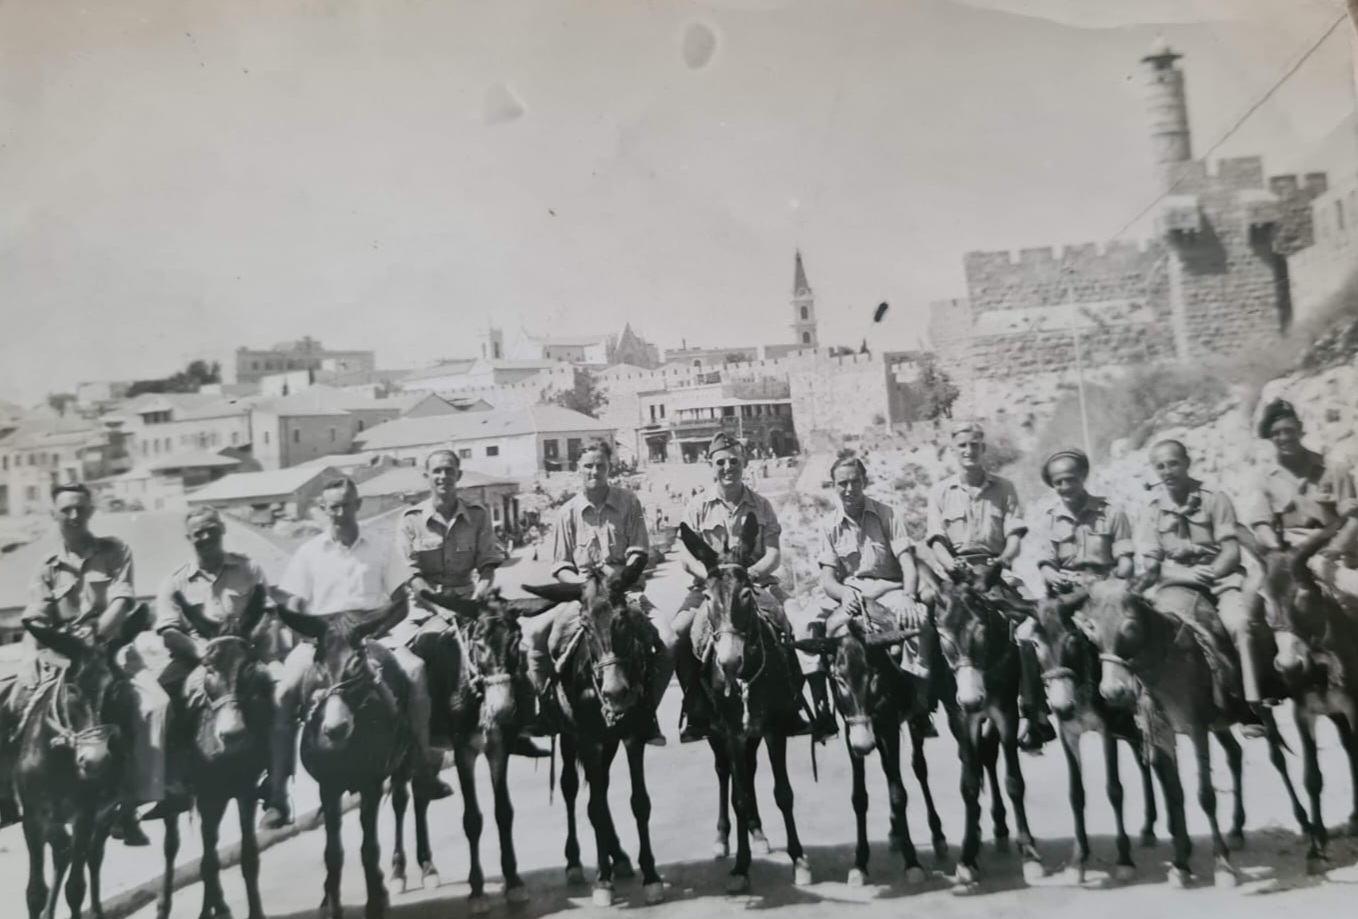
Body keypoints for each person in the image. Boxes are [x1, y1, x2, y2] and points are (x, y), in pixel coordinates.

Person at [263, 477, 455, 830]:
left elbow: (400, 599)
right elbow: (291, 605)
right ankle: (276, 792)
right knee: (284, 691)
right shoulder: (309, 552)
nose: (340, 513)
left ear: (357, 505)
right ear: (323, 510)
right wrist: (310, 637)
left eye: (346, 505)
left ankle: (422, 765)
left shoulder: (380, 547)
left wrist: (376, 632)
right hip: (322, 643)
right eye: (333, 507)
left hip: (374, 635)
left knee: (415, 673)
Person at [0, 484, 162, 845]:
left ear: (91, 511)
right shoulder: (47, 568)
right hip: (61, 654)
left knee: (154, 705)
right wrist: (28, 659)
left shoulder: (115, 551)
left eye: (80, 509)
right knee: (9, 704)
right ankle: (9, 798)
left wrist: (96, 640)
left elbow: (122, 601)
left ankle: (131, 803)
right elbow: (36, 619)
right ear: (54, 515)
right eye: (66, 510)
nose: (74, 516)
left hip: (112, 648)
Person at [395, 450, 548, 759]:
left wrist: (477, 598)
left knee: (513, 645)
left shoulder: (477, 515)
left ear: (458, 476)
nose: (443, 477)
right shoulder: (411, 521)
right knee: (421, 657)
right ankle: (426, 734)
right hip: (427, 608)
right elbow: (411, 577)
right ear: (427, 477)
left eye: (449, 471)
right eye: (436, 471)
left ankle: (521, 727)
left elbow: (488, 566)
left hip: (471, 600)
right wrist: (440, 608)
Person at [524, 440, 671, 745]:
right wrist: (584, 586)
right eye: (588, 465)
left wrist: (620, 579)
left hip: (624, 592)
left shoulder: (629, 502)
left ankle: (647, 714)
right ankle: (548, 711)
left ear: (609, 467)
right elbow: (561, 565)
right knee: (536, 636)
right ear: (579, 469)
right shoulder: (568, 512)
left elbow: (639, 552)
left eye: (600, 465)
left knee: (669, 640)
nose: (594, 471)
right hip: (585, 597)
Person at [671, 432, 815, 743]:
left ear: (744, 463)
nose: (728, 467)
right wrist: (711, 577)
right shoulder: (697, 506)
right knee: (677, 634)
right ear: (711, 465)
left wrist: (747, 574)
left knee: (793, 625)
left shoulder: (761, 506)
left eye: (734, 461)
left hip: (756, 583)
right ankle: (696, 706)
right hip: (708, 589)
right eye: (720, 462)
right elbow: (685, 556)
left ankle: (791, 703)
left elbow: (774, 553)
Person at [924, 422, 1054, 752]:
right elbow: (937, 539)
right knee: (926, 623)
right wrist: (951, 565)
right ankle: (926, 701)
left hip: (995, 571)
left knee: (1029, 627)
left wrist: (998, 565)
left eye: (975, 444)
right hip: (956, 573)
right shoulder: (939, 492)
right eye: (962, 445)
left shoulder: (1004, 488)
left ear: (983, 449)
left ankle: (1034, 710)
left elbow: (1014, 539)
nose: (969, 451)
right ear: (953, 451)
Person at [143, 506, 278, 821]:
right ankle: (172, 785)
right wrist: (201, 651)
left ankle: (274, 785)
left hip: (247, 654)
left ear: (221, 530)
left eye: (210, 530)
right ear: (189, 538)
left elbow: (268, 614)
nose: (205, 537)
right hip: (194, 658)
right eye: (197, 533)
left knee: (280, 694)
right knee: (158, 704)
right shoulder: (175, 581)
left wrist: (248, 645)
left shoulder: (249, 569)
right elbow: (168, 630)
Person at [1136, 440, 1267, 737]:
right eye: (1160, 466)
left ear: (1187, 463)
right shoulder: (1152, 510)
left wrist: (1211, 573)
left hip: (1220, 581)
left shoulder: (1214, 498)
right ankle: (1150, 705)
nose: (1167, 471)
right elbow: (1152, 564)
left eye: (1173, 463)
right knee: (1147, 630)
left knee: (1240, 624)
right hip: (1175, 585)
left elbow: (1231, 551)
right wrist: (1185, 574)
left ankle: (1251, 704)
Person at [813, 455, 935, 738]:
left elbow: (908, 563)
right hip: (854, 597)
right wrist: (844, 593)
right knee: (826, 634)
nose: (849, 488)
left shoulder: (887, 514)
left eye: (855, 481)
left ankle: (920, 706)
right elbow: (828, 578)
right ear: (833, 486)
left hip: (890, 591)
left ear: (864, 482)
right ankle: (829, 709)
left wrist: (908, 595)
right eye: (842, 483)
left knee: (919, 623)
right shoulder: (828, 525)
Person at [1242, 398, 1358, 601]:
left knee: (1349, 586)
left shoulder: (1332, 468)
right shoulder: (1264, 479)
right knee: (1253, 598)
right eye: (1276, 433)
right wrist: (1277, 550)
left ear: (1300, 430)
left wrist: (1336, 548)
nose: (1284, 437)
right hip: (1293, 552)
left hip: (1337, 548)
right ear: (1270, 438)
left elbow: (1352, 519)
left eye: (1289, 430)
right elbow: (1262, 524)